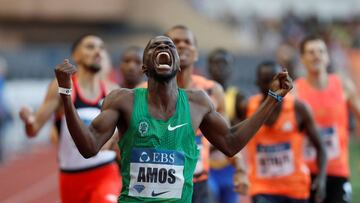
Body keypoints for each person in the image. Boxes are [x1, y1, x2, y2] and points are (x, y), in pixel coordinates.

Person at [54, 35, 293, 202]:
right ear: (144, 67)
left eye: (169, 46)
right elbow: (88, 146)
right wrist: (66, 94)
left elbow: (230, 142)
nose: (163, 47)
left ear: (178, 65)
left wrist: (272, 98)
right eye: (154, 46)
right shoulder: (123, 100)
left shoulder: (197, 102)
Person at [19, 34, 121, 203]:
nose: (97, 51)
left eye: (101, 48)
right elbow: (33, 129)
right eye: (90, 47)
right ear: (76, 55)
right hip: (71, 176)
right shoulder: (62, 88)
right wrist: (28, 120)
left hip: (105, 173)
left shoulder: (113, 91)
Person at [242, 61, 327, 203]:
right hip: (262, 188)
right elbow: (233, 142)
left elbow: (321, 147)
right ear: (257, 82)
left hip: (295, 189)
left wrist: (321, 179)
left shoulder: (299, 109)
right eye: (266, 81)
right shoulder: (248, 108)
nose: (272, 85)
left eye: (275, 80)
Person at [295, 35, 360, 203]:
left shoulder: (342, 85)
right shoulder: (295, 91)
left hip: (337, 170)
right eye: (311, 52)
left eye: (321, 51)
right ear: (302, 58)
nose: (316, 56)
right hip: (304, 171)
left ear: (327, 57)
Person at [207, 48, 248, 203]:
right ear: (209, 67)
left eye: (225, 63)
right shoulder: (200, 94)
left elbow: (243, 134)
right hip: (206, 166)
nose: (220, 67)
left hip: (229, 168)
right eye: (216, 63)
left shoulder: (238, 98)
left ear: (232, 69)